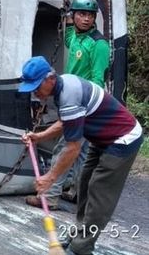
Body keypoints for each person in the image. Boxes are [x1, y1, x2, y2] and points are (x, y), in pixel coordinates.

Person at [19, 56, 142, 255]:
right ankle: (78, 232)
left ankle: (82, 247)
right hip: (101, 138)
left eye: (35, 86)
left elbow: (73, 148)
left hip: (122, 139)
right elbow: (66, 121)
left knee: (99, 192)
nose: (34, 92)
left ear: (50, 78)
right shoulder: (62, 88)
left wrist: (49, 178)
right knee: (84, 183)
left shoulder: (68, 93)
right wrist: (39, 136)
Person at [26, 0, 110, 210]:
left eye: (90, 15)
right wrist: (66, 13)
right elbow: (67, 30)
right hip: (72, 98)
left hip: (82, 103)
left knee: (65, 149)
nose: (86, 19)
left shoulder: (98, 44)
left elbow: (98, 79)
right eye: (81, 14)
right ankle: (81, 195)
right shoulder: (74, 37)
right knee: (82, 153)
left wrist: (87, 109)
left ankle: (50, 196)